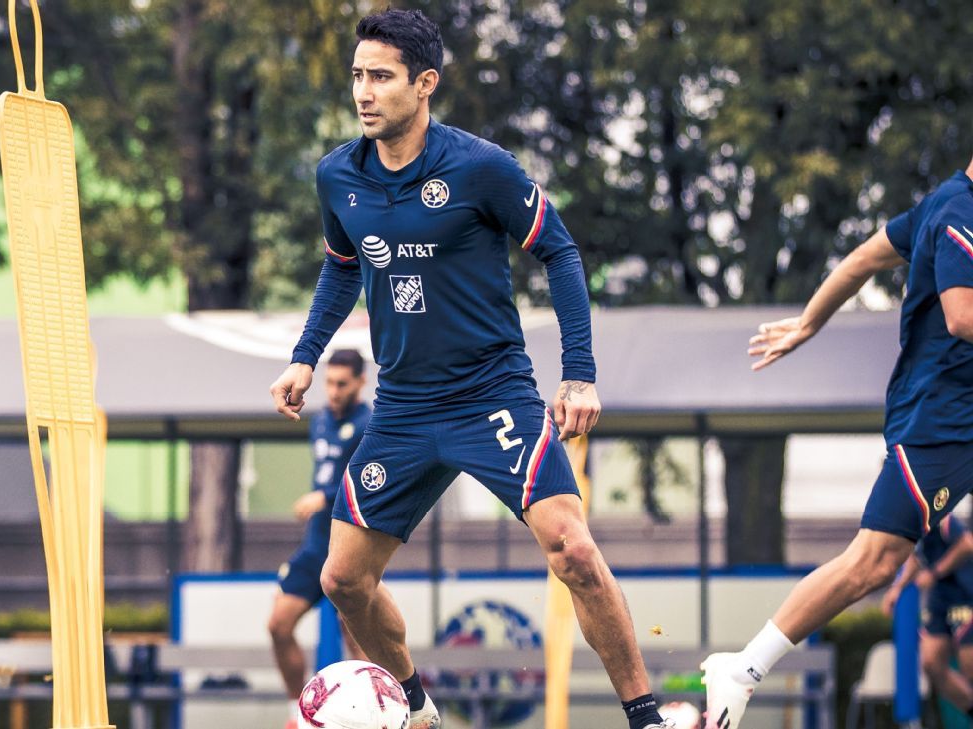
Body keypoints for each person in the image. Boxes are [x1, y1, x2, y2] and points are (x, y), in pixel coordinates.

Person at [268, 9, 670, 729]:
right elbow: (341, 268)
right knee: (342, 579)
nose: (364, 91)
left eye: (381, 77)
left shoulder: (479, 167)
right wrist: (305, 357)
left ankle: (647, 717)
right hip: (403, 410)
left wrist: (578, 373)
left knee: (573, 548)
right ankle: (418, 711)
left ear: (425, 85)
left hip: (494, 397)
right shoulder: (337, 176)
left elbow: (561, 250)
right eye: (357, 75)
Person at [702, 159, 973, 728]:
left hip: (952, 419)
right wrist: (807, 323)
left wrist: (809, 321)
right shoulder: (958, 213)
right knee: (872, 562)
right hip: (941, 424)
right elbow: (961, 316)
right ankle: (744, 669)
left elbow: (863, 259)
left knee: (871, 563)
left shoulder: (938, 203)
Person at [268, 348, 372, 729]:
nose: (333, 390)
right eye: (329, 382)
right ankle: (301, 710)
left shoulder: (370, 424)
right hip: (316, 545)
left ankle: (371, 714)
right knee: (279, 624)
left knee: (356, 634)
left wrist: (325, 497)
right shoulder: (321, 421)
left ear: (361, 382)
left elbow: (370, 483)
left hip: (351, 544)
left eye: (342, 384)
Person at [882, 515, 973, 712]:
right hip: (939, 601)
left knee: (969, 667)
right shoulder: (910, 526)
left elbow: (967, 543)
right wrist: (897, 589)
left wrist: (935, 572)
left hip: (965, 595)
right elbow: (916, 559)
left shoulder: (940, 518)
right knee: (931, 663)